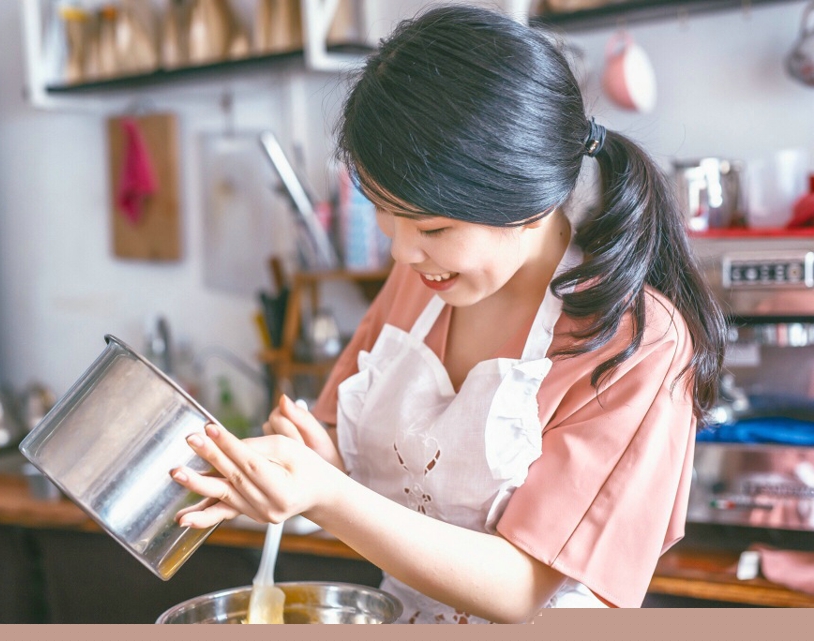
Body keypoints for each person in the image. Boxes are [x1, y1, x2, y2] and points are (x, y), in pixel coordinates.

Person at [169, 5, 726, 623]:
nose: (403, 253)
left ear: (529, 202)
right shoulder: (425, 282)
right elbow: (342, 465)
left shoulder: (633, 341)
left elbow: (519, 588)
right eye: (388, 219)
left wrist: (324, 494)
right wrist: (301, 469)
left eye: (432, 227)